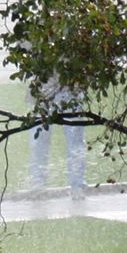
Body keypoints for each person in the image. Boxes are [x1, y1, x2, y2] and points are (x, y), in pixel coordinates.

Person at [28, 76, 90, 209]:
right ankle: (38, 185)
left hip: (70, 86)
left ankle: (77, 185)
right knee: (39, 142)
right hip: (43, 88)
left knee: (75, 142)